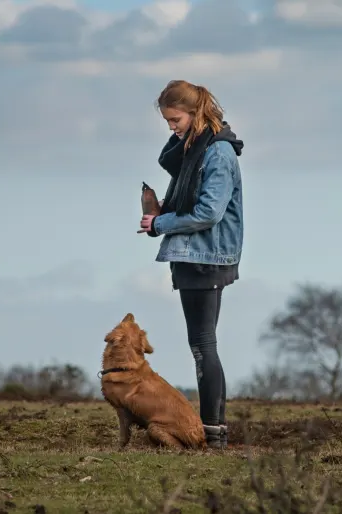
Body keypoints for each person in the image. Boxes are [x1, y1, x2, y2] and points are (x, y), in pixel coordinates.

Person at [137, 79, 244, 450]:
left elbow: (209, 212)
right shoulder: (195, 150)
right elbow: (192, 202)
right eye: (167, 121)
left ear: (195, 112)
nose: (172, 127)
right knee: (201, 344)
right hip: (193, 255)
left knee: (203, 345)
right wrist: (161, 212)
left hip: (206, 256)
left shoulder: (217, 153)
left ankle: (213, 431)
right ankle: (212, 430)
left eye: (175, 119)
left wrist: (160, 223)